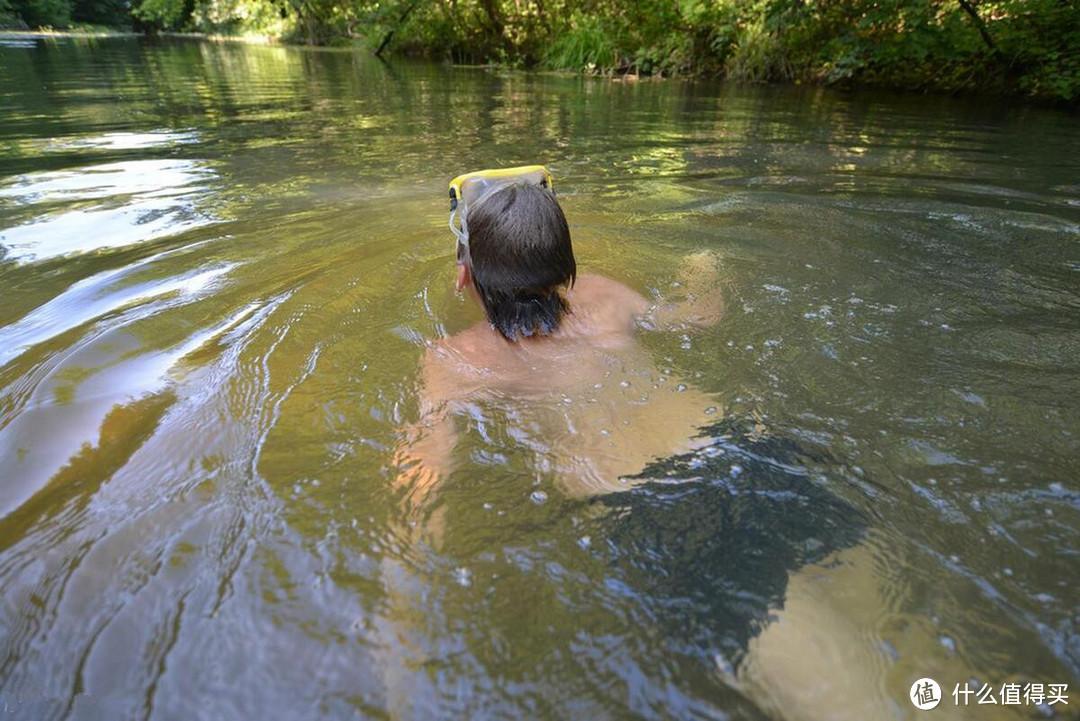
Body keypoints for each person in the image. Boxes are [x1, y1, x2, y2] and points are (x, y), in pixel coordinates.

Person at [394, 166, 725, 518]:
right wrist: (703, 267)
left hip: (628, 495)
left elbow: (425, 467)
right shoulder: (603, 291)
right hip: (718, 441)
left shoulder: (456, 356)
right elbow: (699, 318)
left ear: (463, 275)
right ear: (565, 267)